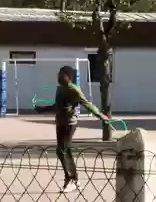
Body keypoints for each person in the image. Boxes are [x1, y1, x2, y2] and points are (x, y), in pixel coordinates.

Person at [33, 65, 107, 194]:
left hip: (70, 123)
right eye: (58, 75)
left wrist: (100, 116)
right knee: (62, 151)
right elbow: (57, 106)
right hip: (60, 122)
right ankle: (75, 179)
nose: (59, 77)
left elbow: (86, 104)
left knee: (63, 150)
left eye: (62, 75)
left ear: (69, 77)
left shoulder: (75, 90)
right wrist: (42, 109)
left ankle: (71, 179)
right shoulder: (59, 89)